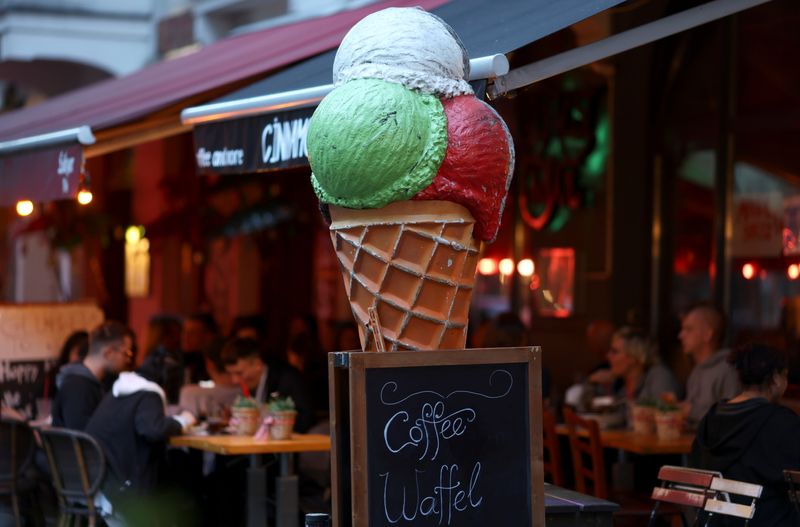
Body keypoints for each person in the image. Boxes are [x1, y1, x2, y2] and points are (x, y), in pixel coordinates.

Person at [690, 343, 800, 526]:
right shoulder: (781, 422)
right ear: (776, 379)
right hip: (769, 521)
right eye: (785, 376)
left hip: (713, 521)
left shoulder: (711, 418)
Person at [85, 355, 196, 524]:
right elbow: (152, 429)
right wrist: (183, 421)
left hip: (102, 478)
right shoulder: (148, 394)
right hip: (123, 486)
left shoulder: (122, 389)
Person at [51, 321, 133, 430]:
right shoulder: (78, 387)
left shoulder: (88, 383)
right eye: (126, 353)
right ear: (108, 353)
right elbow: (84, 439)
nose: (128, 359)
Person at [221, 337, 314, 433]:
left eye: (239, 373)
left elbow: (305, 419)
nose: (234, 380)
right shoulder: (250, 384)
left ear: (257, 364)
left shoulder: (288, 379)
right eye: (230, 374)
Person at [678, 303, 740, 428]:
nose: (680, 335)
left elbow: (733, 418)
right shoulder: (697, 370)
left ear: (707, 334)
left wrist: (691, 411)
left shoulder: (728, 371)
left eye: (688, 329)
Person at [606, 326, 682, 406]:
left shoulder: (660, 377)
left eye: (615, 352)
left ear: (633, 357)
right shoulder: (622, 391)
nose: (608, 356)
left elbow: (665, 413)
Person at [143, 314, 184, 404]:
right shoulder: (166, 359)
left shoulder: (148, 357)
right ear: (165, 335)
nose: (181, 337)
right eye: (179, 332)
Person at [182, 312, 219, 384]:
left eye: (192, 333)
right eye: (184, 332)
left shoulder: (217, 362)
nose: (185, 337)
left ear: (209, 336)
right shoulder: (185, 359)